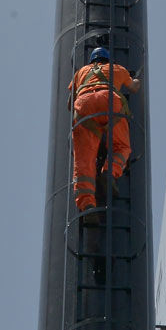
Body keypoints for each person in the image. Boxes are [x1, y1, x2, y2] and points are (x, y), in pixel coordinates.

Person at [69, 46, 139, 213]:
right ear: (108, 59)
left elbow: (70, 102)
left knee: (84, 160)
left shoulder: (81, 72)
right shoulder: (117, 68)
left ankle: (87, 205)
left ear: (92, 60)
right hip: (109, 102)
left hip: (84, 107)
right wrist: (136, 79)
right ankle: (109, 171)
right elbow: (134, 88)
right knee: (122, 147)